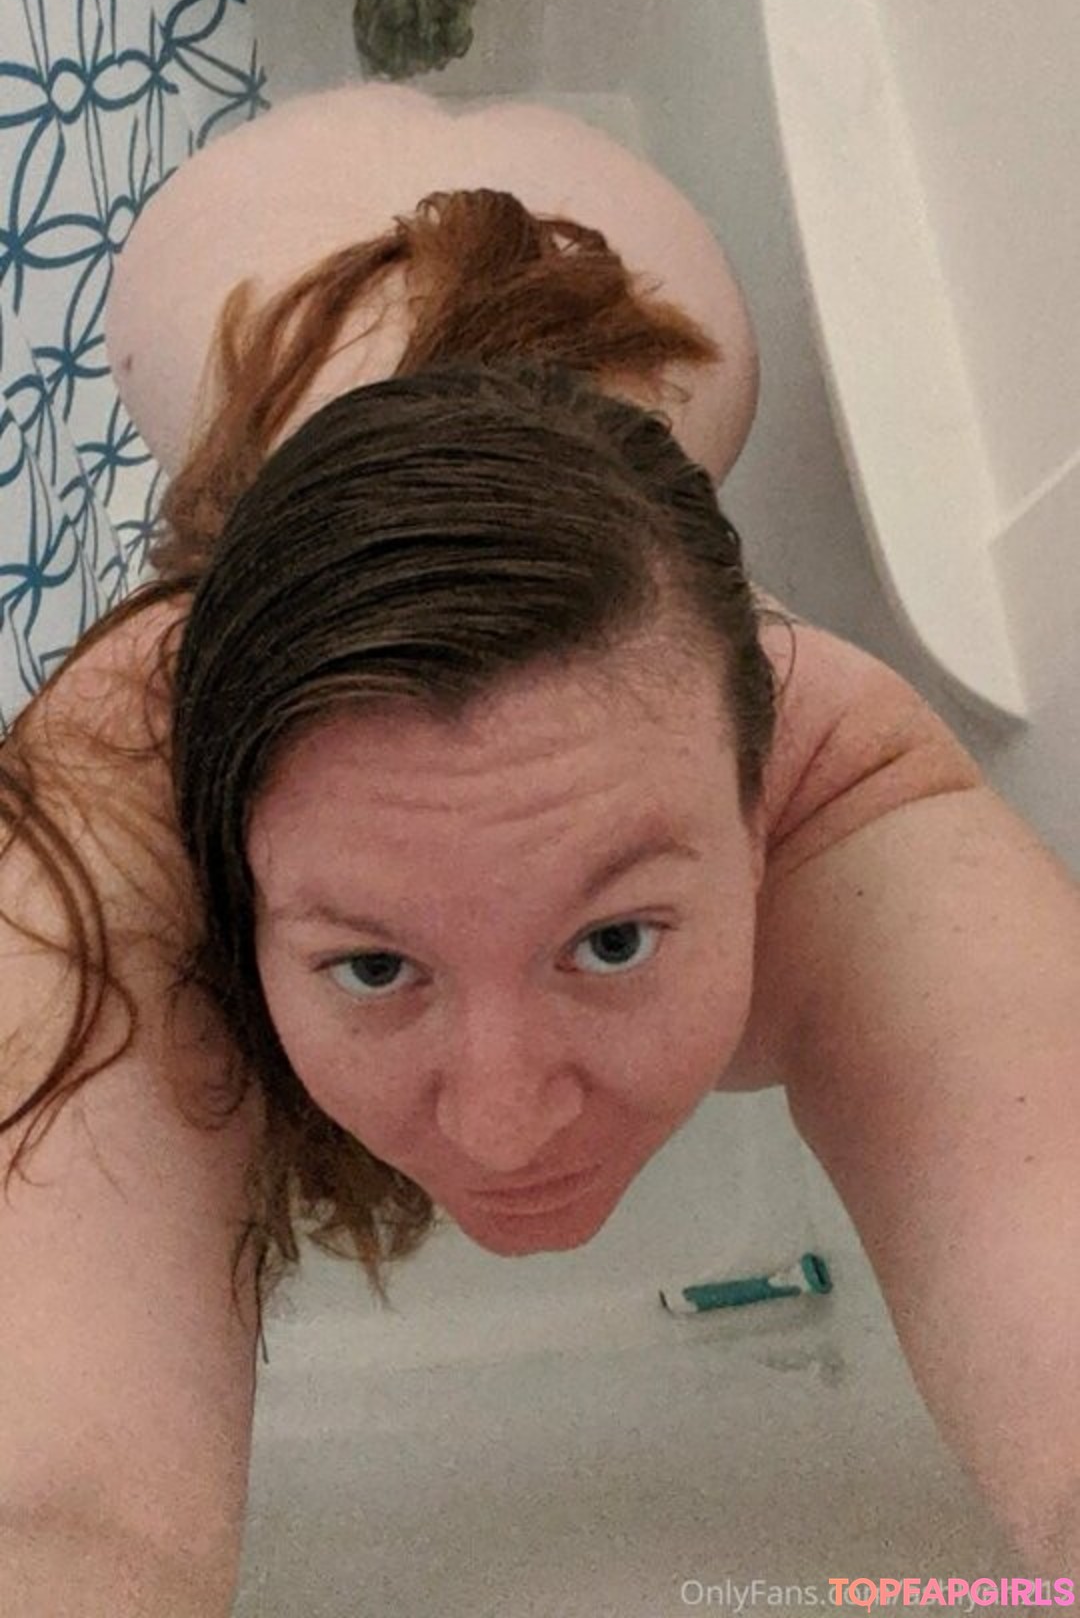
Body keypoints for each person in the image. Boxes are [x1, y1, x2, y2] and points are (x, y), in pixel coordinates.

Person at [2, 88, 1078, 1615]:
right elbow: (62, 1514)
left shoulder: (842, 781)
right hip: (227, 254)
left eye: (613, 939)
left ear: (762, 799)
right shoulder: (122, 793)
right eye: (373, 965)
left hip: (635, 270)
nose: (507, 1131)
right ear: (225, 860)